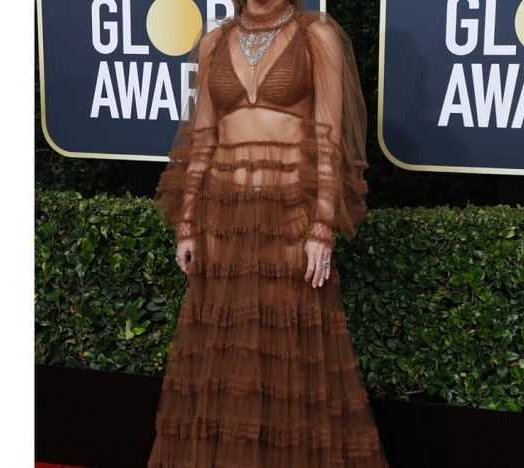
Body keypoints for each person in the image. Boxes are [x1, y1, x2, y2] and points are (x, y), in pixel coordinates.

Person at [148, 0, 388, 466]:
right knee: (223, 352)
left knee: (287, 353)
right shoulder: (214, 42)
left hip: (288, 215)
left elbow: (329, 138)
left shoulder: (316, 37)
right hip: (222, 216)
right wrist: (187, 221)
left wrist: (322, 225)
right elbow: (203, 137)